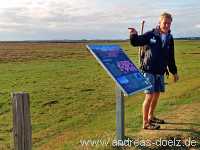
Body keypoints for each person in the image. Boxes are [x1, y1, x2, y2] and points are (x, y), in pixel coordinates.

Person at [129, 12, 179, 130]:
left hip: (160, 71)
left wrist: (174, 72)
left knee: (156, 95)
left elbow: (170, 57)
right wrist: (133, 35)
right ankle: (145, 123)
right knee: (149, 96)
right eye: (164, 23)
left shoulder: (169, 38)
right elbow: (136, 42)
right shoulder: (151, 34)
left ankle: (151, 116)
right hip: (148, 70)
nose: (166, 25)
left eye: (168, 23)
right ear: (159, 23)